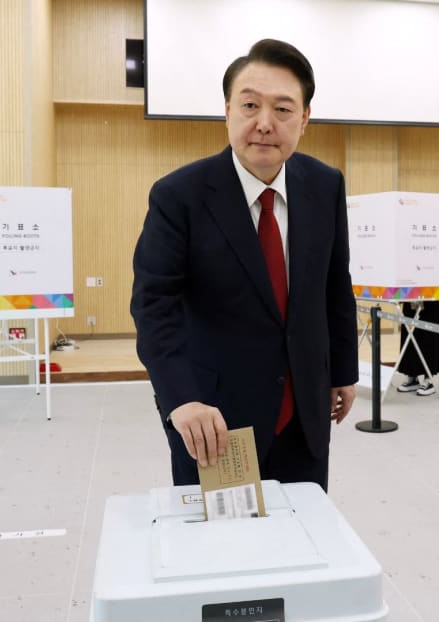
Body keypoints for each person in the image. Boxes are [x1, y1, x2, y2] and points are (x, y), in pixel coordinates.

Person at [130, 39, 358, 492]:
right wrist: (181, 399)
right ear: (228, 109)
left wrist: (343, 372)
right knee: (221, 550)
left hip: (306, 410)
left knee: (303, 537)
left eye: (283, 109)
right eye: (250, 105)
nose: (264, 124)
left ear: (305, 118)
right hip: (214, 418)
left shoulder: (325, 185)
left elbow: (335, 283)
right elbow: (155, 306)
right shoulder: (180, 196)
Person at [395, 301, 439, 396]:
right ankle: (412, 376)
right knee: (409, 334)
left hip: (430, 293)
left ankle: (428, 379)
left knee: (428, 334)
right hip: (410, 292)